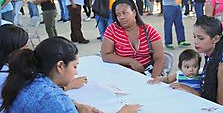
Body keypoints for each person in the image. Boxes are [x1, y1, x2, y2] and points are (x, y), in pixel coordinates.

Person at [0, 36, 140, 113]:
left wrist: (76, 106)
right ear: (60, 66)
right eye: (75, 66)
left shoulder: (26, 78)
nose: (76, 72)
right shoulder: (54, 100)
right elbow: (52, 103)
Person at [170, 15, 223, 111]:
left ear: (215, 39)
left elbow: (220, 106)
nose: (195, 42)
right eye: (194, 37)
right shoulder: (210, 57)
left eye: (200, 38)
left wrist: (189, 89)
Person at [101, 0, 164, 78]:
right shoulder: (112, 30)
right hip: (123, 74)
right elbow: (106, 55)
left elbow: (159, 58)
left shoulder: (149, 30)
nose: (121, 17)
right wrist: (130, 61)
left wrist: (154, 79)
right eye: (118, 15)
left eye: (125, 13)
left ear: (134, 12)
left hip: (148, 72)